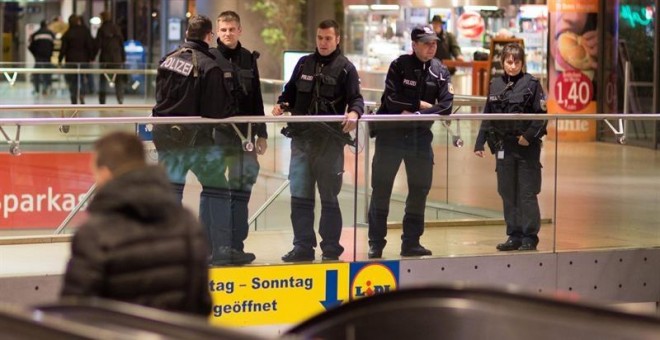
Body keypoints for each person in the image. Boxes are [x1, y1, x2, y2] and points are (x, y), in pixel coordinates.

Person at [61, 131, 211, 316]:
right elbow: (202, 305)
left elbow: (74, 315)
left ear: (106, 174)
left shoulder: (93, 235)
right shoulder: (188, 224)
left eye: (95, 173)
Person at [272, 19, 363, 262]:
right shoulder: (304, 64)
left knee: (329, 198)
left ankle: (331, 248)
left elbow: (357, 99)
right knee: (300, 196)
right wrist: (282, 105)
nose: (323, 43)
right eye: (320, 38)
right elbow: (289, 92)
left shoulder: (346, 68)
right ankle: (302, 247)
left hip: (329, 144)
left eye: (328, 39)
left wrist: (354, 113)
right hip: (301, 141)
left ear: (337, 39)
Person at [151, 15, 235, 265]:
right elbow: (216, 111)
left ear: (188, 33)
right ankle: (220, 249)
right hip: (196, 140)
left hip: (165, 136)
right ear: (209, 36)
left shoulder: (167, 60)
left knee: (171, 194)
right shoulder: (210, 66)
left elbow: (159, 98)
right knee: (218, 188)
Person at [367, 26, 454, 259]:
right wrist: (424, 106)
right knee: (381, 188)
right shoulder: (399, 65)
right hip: (391, 135)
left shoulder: (440, 71)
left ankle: (412, 242)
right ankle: (376, 242)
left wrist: (415, 112)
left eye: (434, 42)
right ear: (414, 44)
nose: (431, 47)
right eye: (426, 43)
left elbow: (446, 106)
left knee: (419, 189)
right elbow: (393, 100)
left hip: (419, 137)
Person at [203, 11, 267, 265]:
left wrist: (262, 133)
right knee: (214, 193)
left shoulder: (249, 59)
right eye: (223, 30)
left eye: (232, 29)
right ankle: (211, 247)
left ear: (240, 30)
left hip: (246, 138)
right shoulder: (209, 58)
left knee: (241, 193)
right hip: (217, 137)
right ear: (217, 32)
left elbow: (257, 98)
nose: (227, 33)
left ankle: (235, 247)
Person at [473, 43, 547, 251]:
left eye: (516, 62)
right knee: (507, 191)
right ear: (502, 62)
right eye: (508, 61)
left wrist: (528, 136)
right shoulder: (495, 84)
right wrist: (480, 142)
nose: (512, 66)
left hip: (526, 147)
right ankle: (513, 235)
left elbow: (542, 117)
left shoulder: (532, 84)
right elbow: (488, 115)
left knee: (526, 192)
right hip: (503, 146)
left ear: (522, 63)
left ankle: (529, 236)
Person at [58, 14, 95, 104]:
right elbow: (90, 45)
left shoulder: (68, 33)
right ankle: (82, 95)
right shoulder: (85, 31)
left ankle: (73, 97)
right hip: (83, 60)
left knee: (72, 80)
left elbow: (63, 48)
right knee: (82, 79)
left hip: (71, 60)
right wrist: (92, 57)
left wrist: (60, 59)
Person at [95, 11, 126, 104]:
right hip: (117, 58)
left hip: (105, 57)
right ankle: (120, 98)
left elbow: (98, 45)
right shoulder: (117, 28)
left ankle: (102, 100)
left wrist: (92, 56)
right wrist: (123, 58)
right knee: (118, 79)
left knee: (103, 79)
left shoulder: (101, 29)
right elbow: (121, 44)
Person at [28, 20, 55, 95]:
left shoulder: (35, 34)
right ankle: (46, 89)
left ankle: (36, 89)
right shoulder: (51, 34)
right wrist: (50, 53)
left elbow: (30, 46)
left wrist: (35, 54)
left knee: (36, 73)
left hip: (38, 57)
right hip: (47, 57)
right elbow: (53, 45)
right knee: (47, 73)